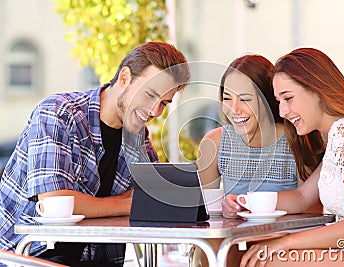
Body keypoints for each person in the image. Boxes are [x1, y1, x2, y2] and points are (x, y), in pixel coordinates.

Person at [0, 41, 190, 267]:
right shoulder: (58, 113)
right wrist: (126, 204)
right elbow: (56, 203)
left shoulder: (138, 139)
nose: (155, 111)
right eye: (149, 95)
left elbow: (154, 200)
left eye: (164, 103)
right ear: (124, 78)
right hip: (25, 257)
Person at [240, 48, 344, 267]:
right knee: (256, 254)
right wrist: (243, 202)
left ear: (317, 90)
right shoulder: (340, 134)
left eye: (288, 98)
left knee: (268, 260)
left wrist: (287, 243)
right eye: (279, 101)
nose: (283, 112)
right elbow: (303, 196)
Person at [195, 54, 320, 267]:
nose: (234, 109)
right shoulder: (214, 142)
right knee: (212, 246)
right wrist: (225, 210)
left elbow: (313, 213)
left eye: (245, 99)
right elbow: (201, 213)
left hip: (283, 244)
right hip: (232, 243)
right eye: (227, 98)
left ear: (266, 99)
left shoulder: (297, 139)